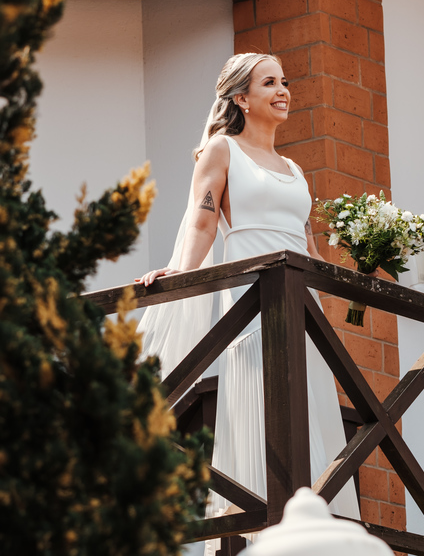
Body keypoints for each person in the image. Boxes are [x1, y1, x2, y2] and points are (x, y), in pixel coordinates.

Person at [135, 53, 358, 553]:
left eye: (285, 82)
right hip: (253, 302)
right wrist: (182, 272)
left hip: (303, 306)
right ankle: (259, 533)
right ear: (241, 97)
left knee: (310, 410)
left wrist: (352, 281)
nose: (284, 91)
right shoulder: (222, 149)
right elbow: (202, 218)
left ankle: (316, 531)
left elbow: (310, 249)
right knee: (261, 406)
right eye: (269, 82)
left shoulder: (296, 169)